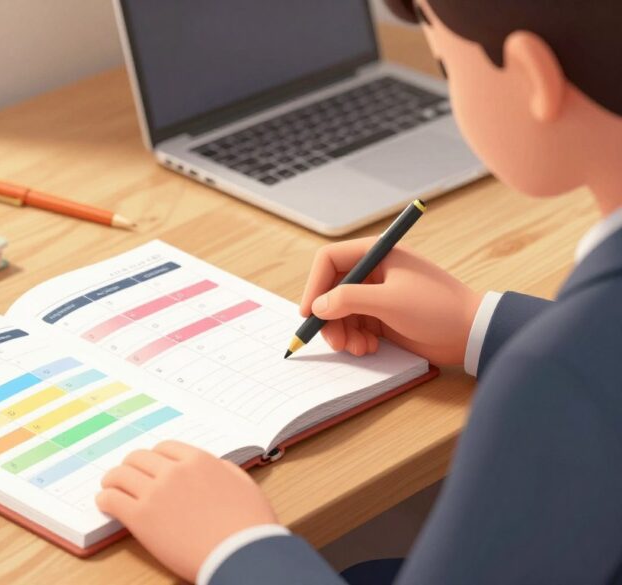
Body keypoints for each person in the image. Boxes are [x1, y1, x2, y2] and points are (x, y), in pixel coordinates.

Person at [95, 1, 622, 583]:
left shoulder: (557, 381)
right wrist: (480, 322)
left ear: (532, 78)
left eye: (444, 65)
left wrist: (235, 549)